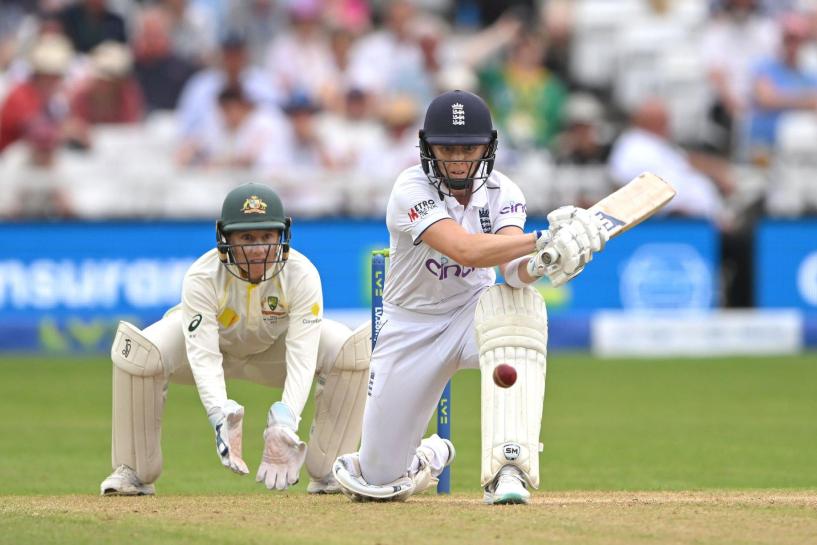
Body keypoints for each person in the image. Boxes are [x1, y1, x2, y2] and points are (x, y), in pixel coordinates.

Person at [332, 90, 608, 505]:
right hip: (410, 325)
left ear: (487, 147)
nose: (458, 159)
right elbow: (464, 249)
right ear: (428, 148)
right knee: (378, 481)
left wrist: (552, 259)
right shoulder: (410, 186)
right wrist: (543, 238)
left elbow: (514, 273)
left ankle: (508, 469)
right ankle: (430, 454)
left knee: (520, 310)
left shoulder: (504, 191)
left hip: (472, 313)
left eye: (469, 148)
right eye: (447, 148)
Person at [100, 182, 370, 495]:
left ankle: (331, 470)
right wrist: (219, 412)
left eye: (267, 237)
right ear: (225, 238)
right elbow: (203, 354)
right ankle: (133, 470)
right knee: (140, 352)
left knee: (348, 349)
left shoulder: (302, 273)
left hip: (273, 354)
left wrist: (285, 421)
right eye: (247, 238)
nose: (258, 248)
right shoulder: (202, 276)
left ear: (281, 235)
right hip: (208, 351)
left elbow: (302, 353)